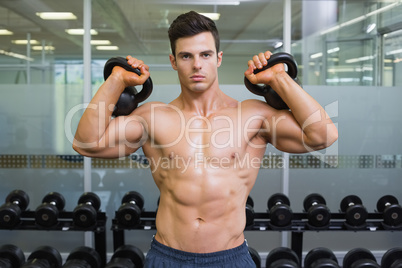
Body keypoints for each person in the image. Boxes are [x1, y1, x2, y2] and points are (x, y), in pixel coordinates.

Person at [73, 11, 338, 268]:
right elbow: (86, 142)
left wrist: (279, 78)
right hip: (168, 257)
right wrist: (116, 79)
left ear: (218, 58)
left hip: (230, 258)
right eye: (186, 56)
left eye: (205, 54)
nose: (197, 64)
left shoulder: (253, 115)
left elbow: (323, 136)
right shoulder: (153, 117)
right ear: (174, 61)